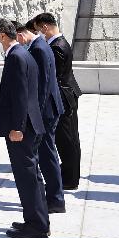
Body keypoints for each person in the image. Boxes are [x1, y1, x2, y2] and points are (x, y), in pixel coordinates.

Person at [0, 18, 49, 238]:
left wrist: (17, 127)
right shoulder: (23, 53)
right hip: (30, 124)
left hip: (22, 128)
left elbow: (21, 95)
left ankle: (36, 226)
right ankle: (37, 219)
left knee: (27, 177)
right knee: (32, 175)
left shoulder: (15, 56)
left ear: (2, 36)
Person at [33, 13, 82, 190]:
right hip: (67, 94)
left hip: (64, 97)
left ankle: (70, 179)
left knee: (67, 139)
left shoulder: (57, 46)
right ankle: (69, 174)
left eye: (40, 30)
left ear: (45, 27)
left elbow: (54, 76)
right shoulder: (58, 42)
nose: (40, 34)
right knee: (67, 138)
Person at [24, 18, 66, 214]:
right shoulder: (41, 45)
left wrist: (36, 115)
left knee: (48, 154)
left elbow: (42, 85)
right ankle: (53, 197)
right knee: (48, 153)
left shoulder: (39, 48)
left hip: (46, 111)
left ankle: (56, 199)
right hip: (49, 108)